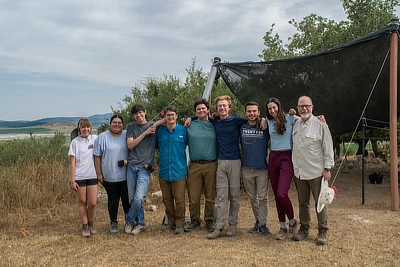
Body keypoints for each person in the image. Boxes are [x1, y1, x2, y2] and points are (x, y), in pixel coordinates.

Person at [291, 95, 334, 245]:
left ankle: (323, 231)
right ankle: (304, 229)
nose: (304, 108)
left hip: (316, 172)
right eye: (301, 106)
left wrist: (327, 168)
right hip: (299, 172)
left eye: (307, 106)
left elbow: (327, 147)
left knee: (320, 202)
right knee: (303, 203)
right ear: (297, 108)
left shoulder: (321, 124)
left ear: (312, 107)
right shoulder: (296, 125)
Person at [124, 104, 163, 235]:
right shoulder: (131, 127)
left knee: (139, 198)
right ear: (133, 116)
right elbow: (130, 145)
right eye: (136, 114)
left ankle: (129, 219)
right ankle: (140, 224)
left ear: (145, 112)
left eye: (141, 113)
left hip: (144, 168)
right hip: (131, 166)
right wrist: (145, 133)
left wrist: (190, 118)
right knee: (132, 198)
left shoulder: (153, 126)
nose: (138, 116)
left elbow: (167, 117)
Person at [266, 97, 298, 240]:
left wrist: (320, 118)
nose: (272, 111)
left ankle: (292, 221)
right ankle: (282, 227)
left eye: (274, 107)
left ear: (279, 106)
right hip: (273, 157)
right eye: (269, 108)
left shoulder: (290, 117)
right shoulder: (267, 121)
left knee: (281, 194)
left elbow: (307, 118)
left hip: (286, 157)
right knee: (276, 196)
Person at [94, 115, 130, 234]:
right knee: (113, 200)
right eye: (114, 122)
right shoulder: (102, 137)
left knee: (126, 200)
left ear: (123, 124)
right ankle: (113, 222)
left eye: (120, 122)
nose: (117, 124)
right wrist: (99, 173)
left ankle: (128, 221)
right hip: (109, 175)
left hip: (126, 175)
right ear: (110, 124)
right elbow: (97, 156)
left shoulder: (127, 134)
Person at [185, 98, 218, 232]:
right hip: (194, 165)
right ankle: (194, 220)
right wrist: (190, 118)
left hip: (211, 164)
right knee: (193, 196)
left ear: (208, 110)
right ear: (195, 111)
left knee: (210, 195)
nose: (201, 110)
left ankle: (209, 221)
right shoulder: (190, 124)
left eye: (203, 108)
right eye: (198, 109)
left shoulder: (215, 124)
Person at [240, 101, 271, 236]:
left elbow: (280, 120)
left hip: (262, 168)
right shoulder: (241, 126)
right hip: (246, 168)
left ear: (259, 112)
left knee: (263, 197)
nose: (252, 114)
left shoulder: (265, 125)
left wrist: (264, 119)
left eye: (254, 111)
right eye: (249, 111)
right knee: (253, 198)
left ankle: (263, 224)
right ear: (245, 113)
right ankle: (258, 221)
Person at [156, 105, 188, 234]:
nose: (170, 117)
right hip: (164, 170)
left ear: (176, 116)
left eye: (173, 115)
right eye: (168, 115)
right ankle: (171, 222)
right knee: (167, 199)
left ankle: (180, 223)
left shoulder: (183, 131)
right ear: (165, 117)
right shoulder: (160, 132)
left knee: (179, 199)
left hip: (179, 170)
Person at [68, 118, 98, 238]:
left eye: (88, 127)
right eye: (83, 127)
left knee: (93, 202)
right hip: (79, 176)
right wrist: (72, 180)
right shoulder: (75, 143)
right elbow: (72, 163)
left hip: (92, 175)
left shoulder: (95, 139)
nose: (86, 129)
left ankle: (91, 223)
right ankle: (85, 226)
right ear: (79, 129)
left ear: (90, 128)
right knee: (82, 202)